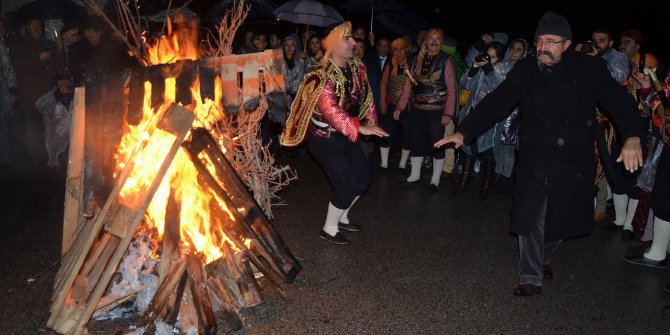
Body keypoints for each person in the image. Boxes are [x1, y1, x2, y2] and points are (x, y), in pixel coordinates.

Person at [434, 11, 644, 296]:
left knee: (562, 218)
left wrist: (632, 136)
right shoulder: (527, 70)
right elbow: (498, 101)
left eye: (551, 41)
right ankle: (530, 275)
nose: (543, 47)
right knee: (531, 215)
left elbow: (620, 102)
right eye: (540, 40)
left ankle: (544, 254)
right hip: (535, 155)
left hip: (573, 158)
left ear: (567, 44)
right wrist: (464, 131)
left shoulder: (589, 69)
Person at [280, 21, 388, 245]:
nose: (353, 42)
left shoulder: (357, 67)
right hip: (325, 140)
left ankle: (343, 216)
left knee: (363, 181)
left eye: (352, 38)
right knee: (346, 185)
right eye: (346, 39)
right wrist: (358, 127)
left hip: (348, 136)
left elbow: (367, 98)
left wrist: (372, 124)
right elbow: (331, 110)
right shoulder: (320, 75)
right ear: (333, 47)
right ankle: (329, 228)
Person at [394, 28, 458, 192]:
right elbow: (408, 86)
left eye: (438, 39)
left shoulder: (446, 61)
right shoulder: (415, 60)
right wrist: (400, 107)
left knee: (436, 144)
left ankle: (435, 180)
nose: (434, 42)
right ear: (425, 41)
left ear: (442, 42)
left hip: (437, 112)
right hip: (417, 111)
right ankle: (415, 176)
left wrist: (448, 113)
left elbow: (451, 90)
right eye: (431, 39)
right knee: (416, 142)